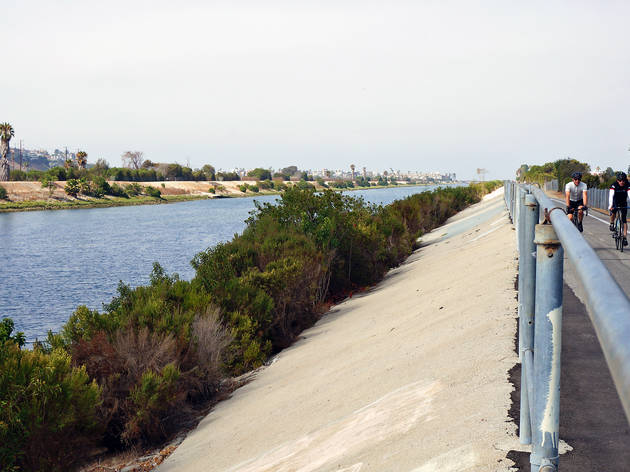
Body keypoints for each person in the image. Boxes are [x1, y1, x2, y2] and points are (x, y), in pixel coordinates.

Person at [609, 172, 630, 246]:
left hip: (623, 202)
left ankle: (624, 237)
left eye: (623, 180)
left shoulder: (628, 184)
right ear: (617, 180)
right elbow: (611, 196)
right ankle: (611, 223)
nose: (622, 182)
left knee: (624, 220)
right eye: (620, 180)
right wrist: (610, 205)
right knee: (613, 212)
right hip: (615, 202)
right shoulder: (614, 185)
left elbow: (629, 194)